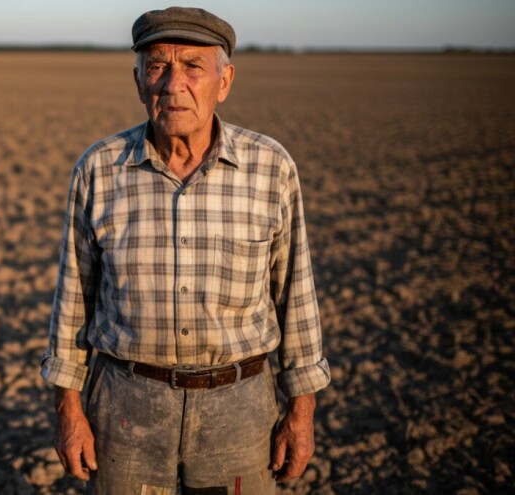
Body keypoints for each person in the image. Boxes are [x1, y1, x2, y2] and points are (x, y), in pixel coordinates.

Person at [41, 6, 330, 494]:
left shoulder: (270, 168)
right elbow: (73, 302)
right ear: (138, 81)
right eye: (157, 66)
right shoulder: (99, 169)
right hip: (125, 408)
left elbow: (295, 297)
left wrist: (301, 412)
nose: (173, 84)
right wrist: (69, 409)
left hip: (241, 411)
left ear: (225, 80)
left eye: (193, 66)